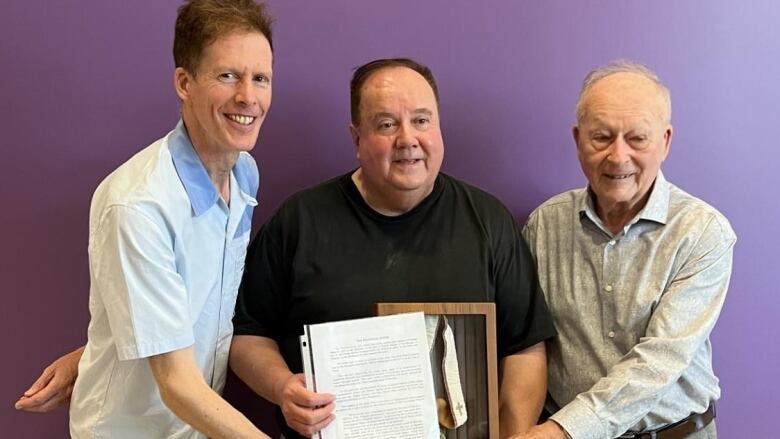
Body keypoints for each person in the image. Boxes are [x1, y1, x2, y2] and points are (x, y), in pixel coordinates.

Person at [228, 58, 557, 439]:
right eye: (386, 124)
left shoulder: (489, 221)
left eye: (421, 120)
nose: (407, 139)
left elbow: (525, 347)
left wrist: (511, 436)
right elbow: (247, 334)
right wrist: (282, 387)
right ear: (356, 139)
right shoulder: (300, 221)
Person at [15, 1, 275, 438]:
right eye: (227, 76)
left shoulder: (243, 171)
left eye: (261, 78)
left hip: (197, 426)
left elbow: (189, 304)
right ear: (184, 82)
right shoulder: (137, 205)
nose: (248, 96)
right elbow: (177, 384)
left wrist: (94, 350)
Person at [516, 61, 736, 439]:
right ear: (577, 139)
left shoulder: (703, 232)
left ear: (665, 141)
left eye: (637, 138)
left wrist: (562, 431)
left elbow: (659, 360)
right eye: (601, 137)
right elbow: (524, 341)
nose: (618, 157)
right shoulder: (543, 226)